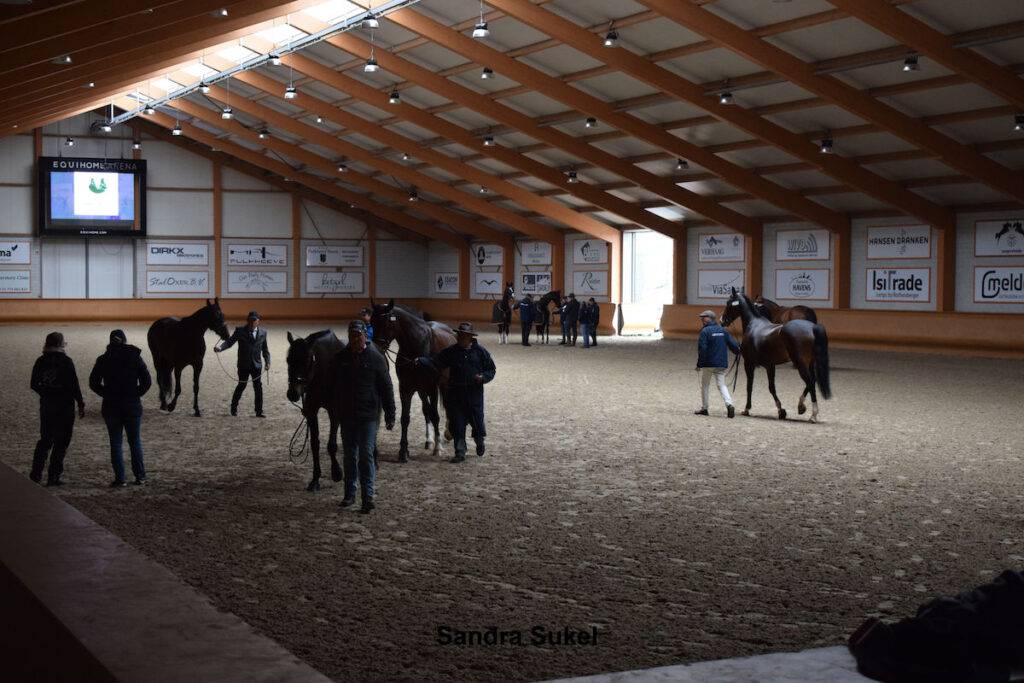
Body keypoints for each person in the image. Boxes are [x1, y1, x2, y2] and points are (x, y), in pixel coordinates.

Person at [334, 320, 395, 514]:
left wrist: (390, 413)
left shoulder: (376, 358)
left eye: (358, 335)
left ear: (365, 336)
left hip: (368, 415)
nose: (355, 339)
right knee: (349, 455)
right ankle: (349, 494)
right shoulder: (340, 358)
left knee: (366, 454)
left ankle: (367, 496)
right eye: (352, 335)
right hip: (347, 415)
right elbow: (332, 386)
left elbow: (386, 387)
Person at [416, 323, 495, 463]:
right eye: (459, 335)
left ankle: (479, 441)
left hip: (474, 394)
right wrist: (421, 361)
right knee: (457, 423)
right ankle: (460, 452)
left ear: (470, 337)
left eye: (463, 335)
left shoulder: (481, 352)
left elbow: (491, 369)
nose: (460, 338)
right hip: (456, 393)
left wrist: (483, 377)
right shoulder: (451, 352)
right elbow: (436, 362)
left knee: (477, 422)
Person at [89, 330, 152, 486]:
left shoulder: (103, 359)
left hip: (111, 406)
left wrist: (106, 393)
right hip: (132, 405)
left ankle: (120, 478)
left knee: (116, 443)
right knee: (135, 441)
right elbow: (147, 381)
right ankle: (140, 476)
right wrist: (135, 393)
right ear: (124, 340)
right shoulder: (135, 357)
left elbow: (93, 383)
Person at [29, 332, 85, 486]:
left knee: (45, 439)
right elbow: (74, 385)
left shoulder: (41, 361)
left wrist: (45, 393)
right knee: (62, 441)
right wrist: (80, 403)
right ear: (61, 344)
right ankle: (53, 476)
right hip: (65, 406)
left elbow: (33, 384)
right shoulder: (66, 361)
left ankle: (35, 474)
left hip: (47, 405)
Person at [216, 310, 270, 417]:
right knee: (241, 385)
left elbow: (265, 350)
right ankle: (233, 408)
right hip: (243, 365)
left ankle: (259, 411)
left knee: (258, 388)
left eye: (254, 320)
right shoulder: (240, 331)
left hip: (257, 365)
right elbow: (229, 342)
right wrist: (220, 348)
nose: (252, 322)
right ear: (247, 320)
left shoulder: (263, 333)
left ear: (258, 321)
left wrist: (267, 362)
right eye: (250, 320)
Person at [695, 310, 740, 418]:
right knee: (722, 385)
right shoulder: (723, 330)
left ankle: (705, 408)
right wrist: (738, 351)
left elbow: (703, 349)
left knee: (705, 385)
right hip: (721, 363)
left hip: (708, 363)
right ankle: (729, 404)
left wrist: (699, 364)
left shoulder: (705, 331)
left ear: (710, 318)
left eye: (704, 317)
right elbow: (734, 345)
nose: (702, 319)